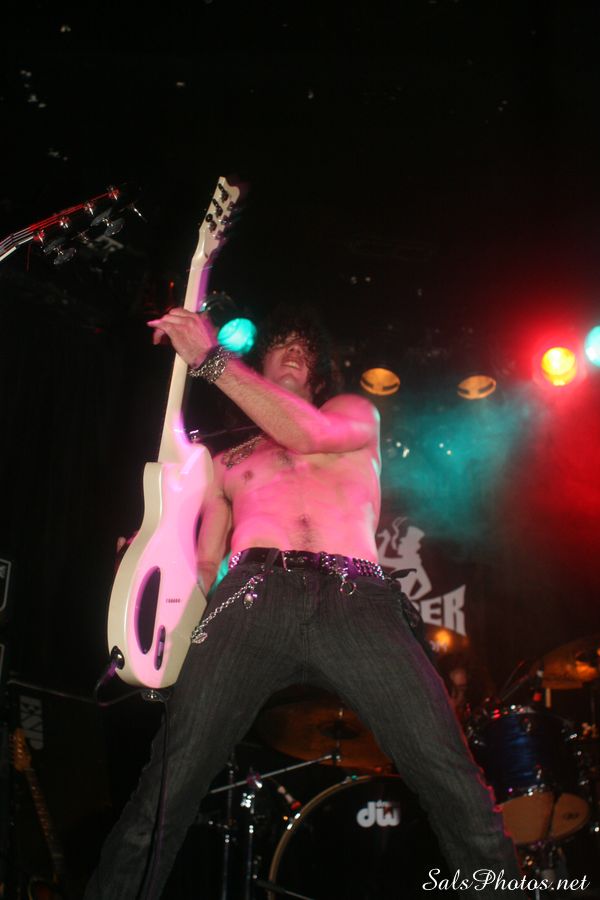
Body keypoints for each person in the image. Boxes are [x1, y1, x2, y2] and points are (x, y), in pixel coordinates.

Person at [85, 306, 523, 898]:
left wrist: (210, 361)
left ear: (318, 375)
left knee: (452, 779)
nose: (295, 352)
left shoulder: (350, 413)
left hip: (357, 599)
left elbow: (307, 434)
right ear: (259, 359)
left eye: (306, 349)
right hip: (251, 597)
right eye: (282, 344)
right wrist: (147, 576)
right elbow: (205, 566)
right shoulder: (223, 459)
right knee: (165, 790)